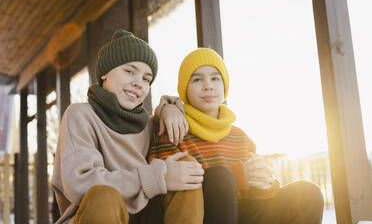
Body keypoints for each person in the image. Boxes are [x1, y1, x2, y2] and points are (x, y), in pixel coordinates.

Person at [149, 48, 325, 224]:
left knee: (308, 193)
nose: (208, 85)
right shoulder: (174, 129)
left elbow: (259, 194)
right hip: (203, 217)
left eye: (215, 78)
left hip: (244, 214)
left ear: (224, 86)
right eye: (197, 79)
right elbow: (169, 191)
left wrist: (264, 183)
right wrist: (241, 176)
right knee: (220, 176)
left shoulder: (240, 136)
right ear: (184, 89)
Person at [51, 30, 205, 224]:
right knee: (103, 196)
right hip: (94, 216)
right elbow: (80, 186)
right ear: (105, 73)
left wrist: (170, 107)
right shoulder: (80, 115)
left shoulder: (151, 126)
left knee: (186, 165)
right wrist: (157, 179)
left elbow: (189, 136)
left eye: (146, 79)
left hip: (144, 216)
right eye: (130, 71)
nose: (138, 83)